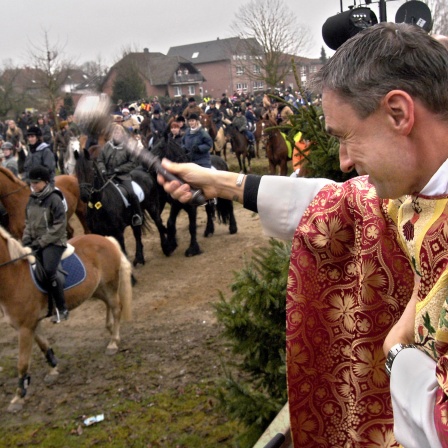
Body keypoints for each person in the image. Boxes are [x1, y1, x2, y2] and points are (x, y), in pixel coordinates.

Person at [157, 23, 448, 448]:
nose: (344, 161)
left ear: (399, 113)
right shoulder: (416, 188)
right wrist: (220, 183)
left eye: (347, 138)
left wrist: (398, 354)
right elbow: (336, 202)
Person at [22, 165, 68, 323]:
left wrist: (42, 242)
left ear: (45, 182)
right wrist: (26, 240)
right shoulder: (32, 199)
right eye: (31, 183)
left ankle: (62, 308)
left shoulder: (54, 198)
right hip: (36, 241)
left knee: (49, 271)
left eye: (36, 183)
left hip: (54, 241)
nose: (33, 185)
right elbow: (28, 222)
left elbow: (60, 225)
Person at [97, 124, 143, 227]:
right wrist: (103, 170)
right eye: (115, 132)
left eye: (118, 132)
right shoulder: (107, 146)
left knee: (131, 193)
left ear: (122, 134)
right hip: (107, 176)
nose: (116, 134)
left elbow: (132, 163)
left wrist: (118, 169)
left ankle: (137, 214)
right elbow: (100, 160)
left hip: (123, 176)